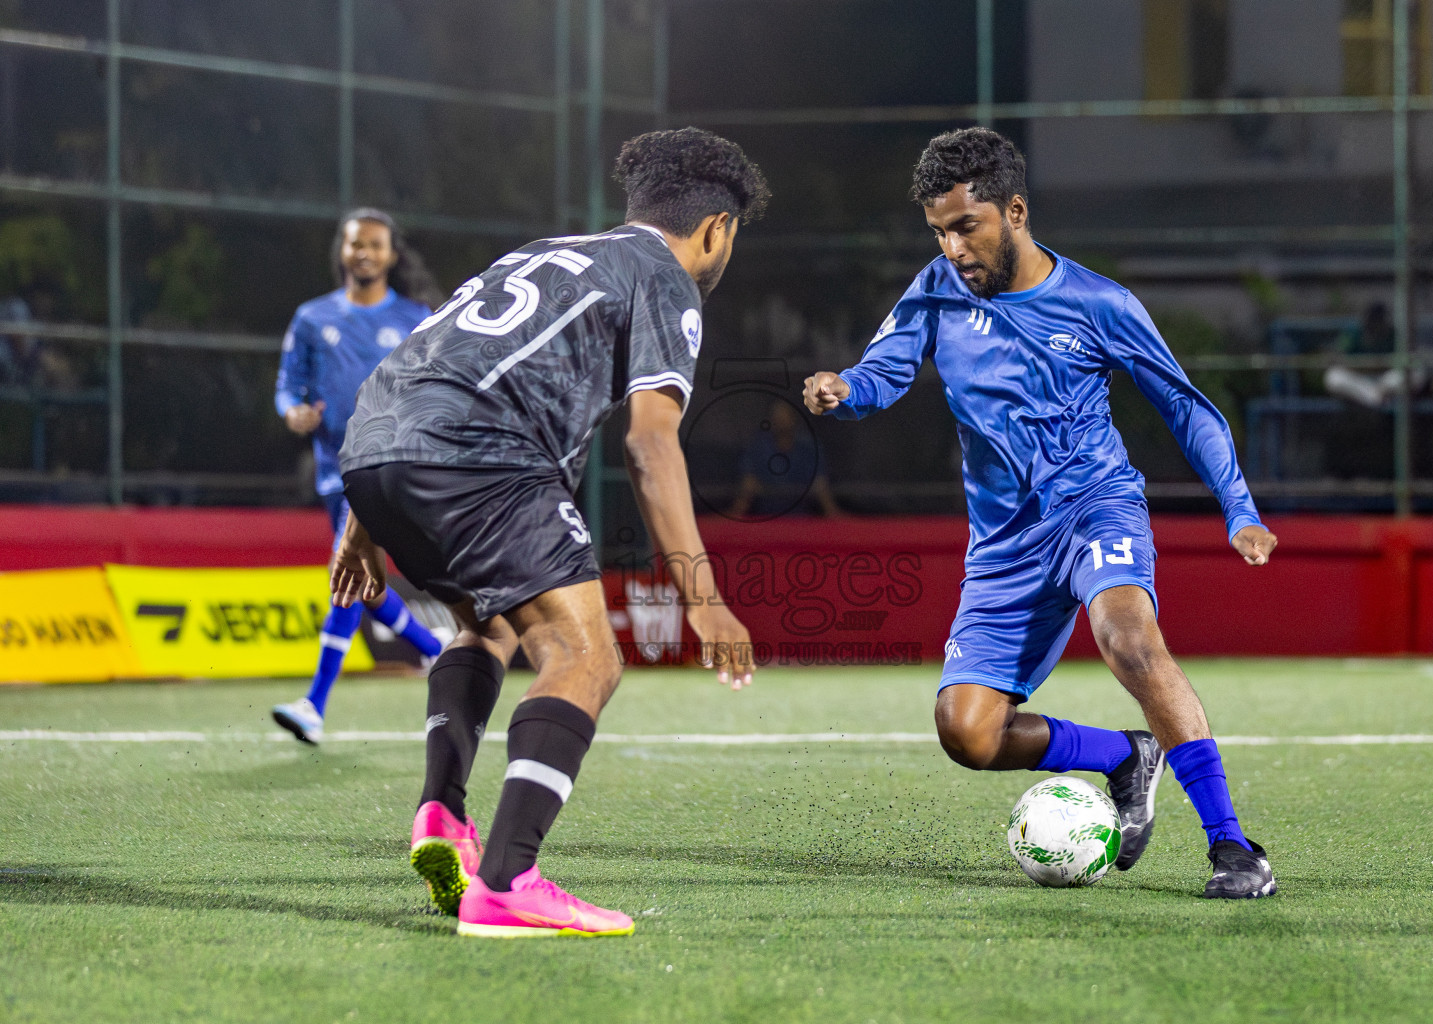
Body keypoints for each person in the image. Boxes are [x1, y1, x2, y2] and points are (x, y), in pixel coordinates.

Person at [803, 128, 1279, 899]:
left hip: (1096, 505)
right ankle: (1124, 757)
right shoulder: (935, 289)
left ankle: (1232, 845)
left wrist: (1239, 509)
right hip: (1003, 545)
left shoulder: (1098, 302)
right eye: (939, 232)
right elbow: (884, 374)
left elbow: (1186, 409)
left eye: (967, 227)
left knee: (1128, 640)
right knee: (968, 733)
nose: (954, 249)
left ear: (1014, 211)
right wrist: (845, 390)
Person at [330, 128, 768, 938]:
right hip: (481, 458)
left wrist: (361, 519)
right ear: (717, 229)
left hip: (375, 450)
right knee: (585, 657)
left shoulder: (542, 253)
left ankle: (443, 817)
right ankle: (505, 883)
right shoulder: (666, 278)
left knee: (486, 625)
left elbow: (426, 357)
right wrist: (704, 599)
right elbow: (649, 439)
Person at [270, 209, 446, 744]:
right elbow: (287, 386)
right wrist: (292, 412)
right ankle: (434, 647)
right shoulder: (310, 318)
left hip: (384, 465)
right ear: (342, 251)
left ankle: (314, 705)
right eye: (354, 244)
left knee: (344, 573)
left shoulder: (417, 317)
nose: (363, 252)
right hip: (330, 469)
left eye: (374, 244)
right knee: (366, 581)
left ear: (392, 254)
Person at [726, 399, 841, 519]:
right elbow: (748, 483)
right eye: (777, 416)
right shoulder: (757, 446)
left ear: (793, 419)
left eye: (784, 416)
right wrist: (735, 514)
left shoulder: (808, 447)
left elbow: (820, 484)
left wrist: (834, 515)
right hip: (764, 518)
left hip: (802, 519)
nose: (781, 420)